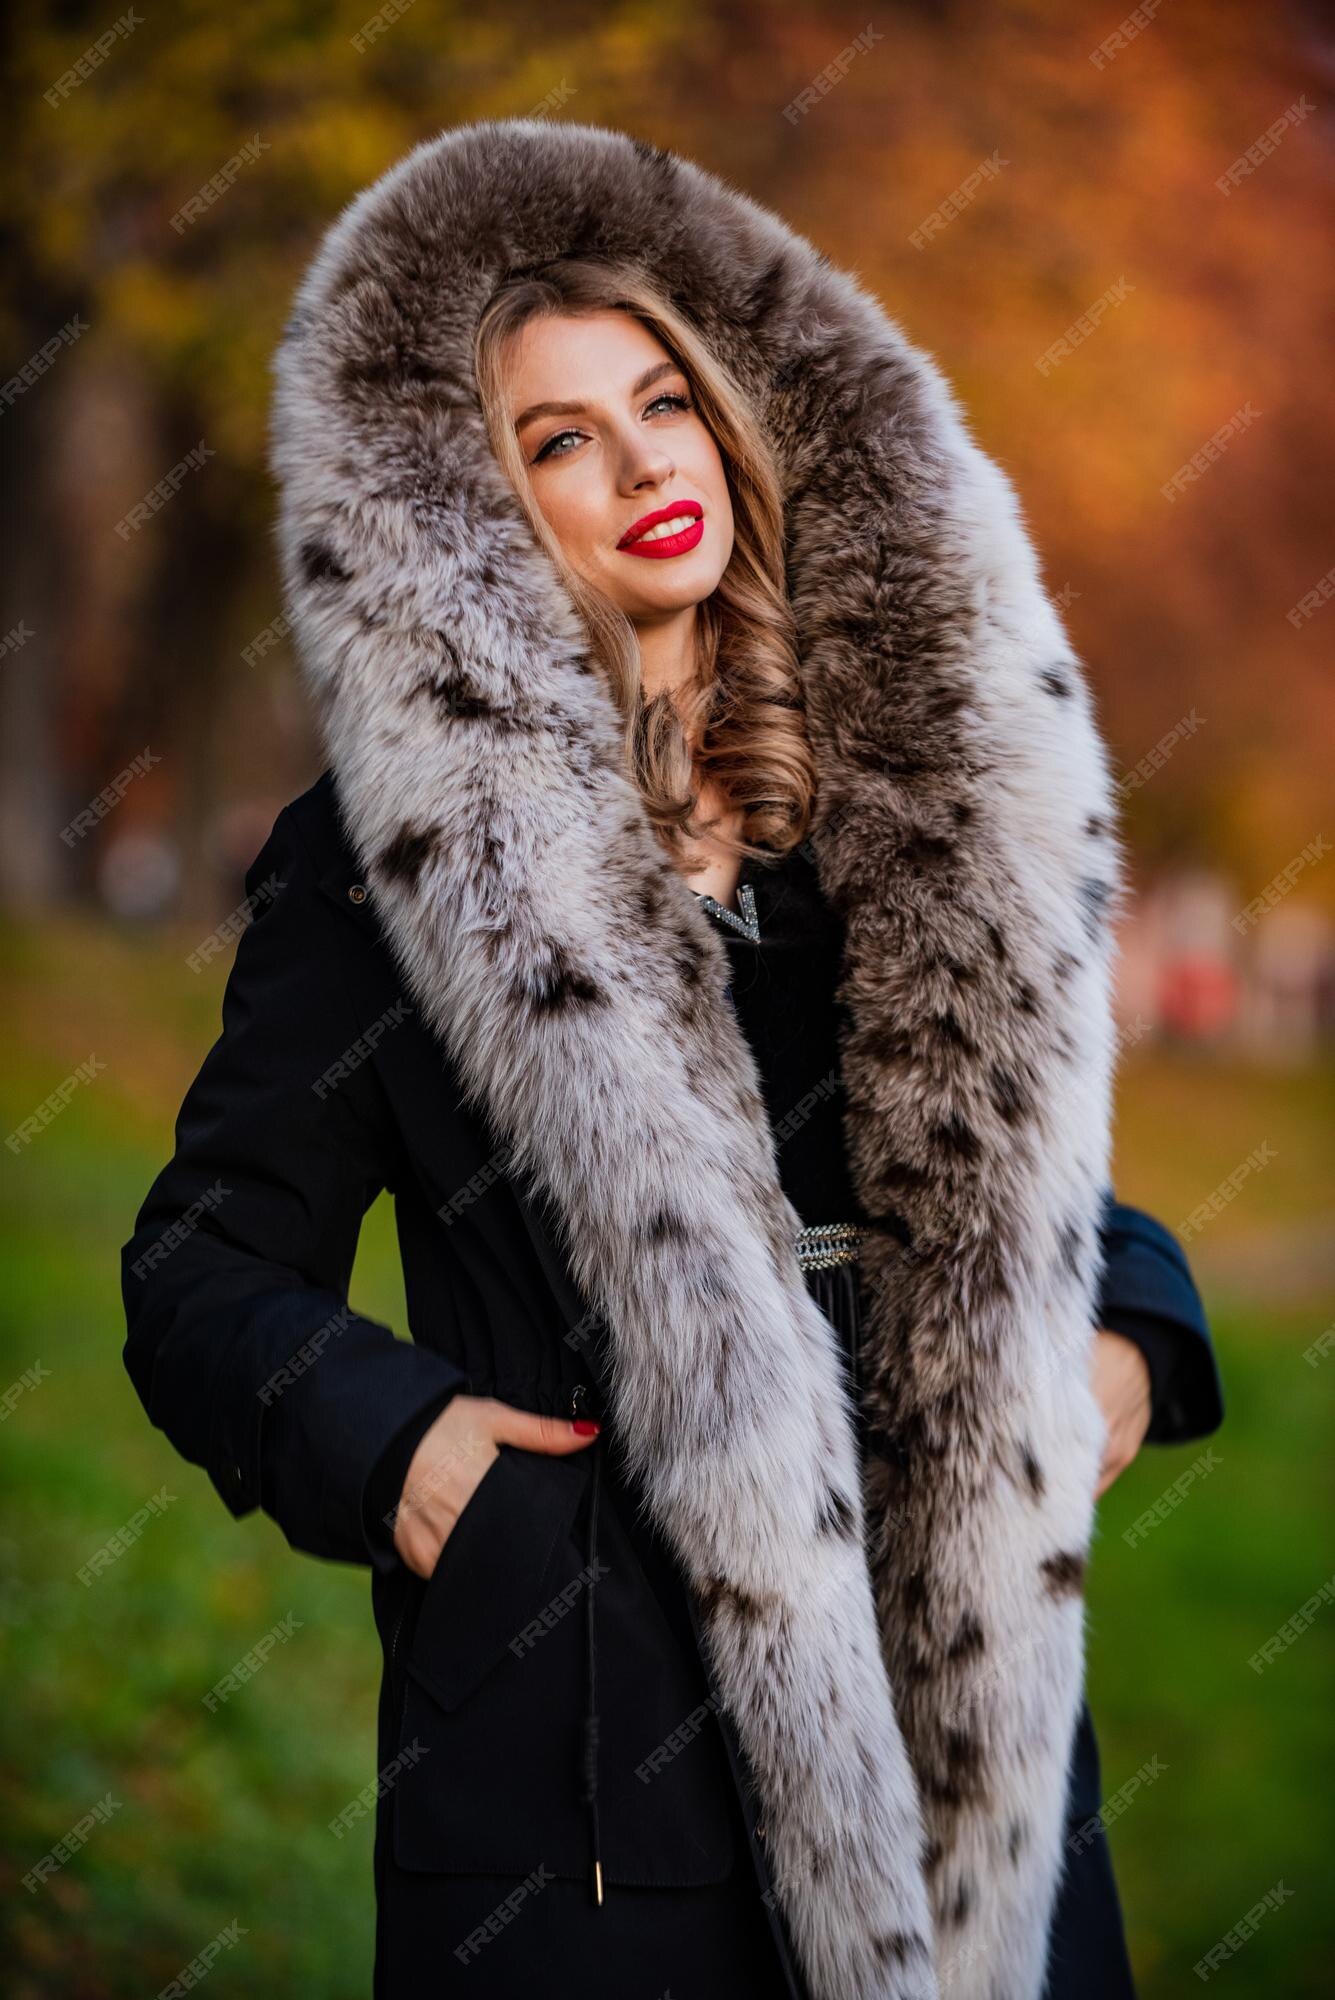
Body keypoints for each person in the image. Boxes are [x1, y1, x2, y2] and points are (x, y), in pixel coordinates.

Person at [121, 121, 1222, 2000]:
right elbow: (202, 1264)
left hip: (962, 1741)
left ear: (727, 420)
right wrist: (407, 1455)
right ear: (480, 514)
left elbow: (1004, 1174)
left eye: (661, 402)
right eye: (559, 437)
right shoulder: (390, 855)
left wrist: (1130, 1325)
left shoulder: (900, 808)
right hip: (590, 1782)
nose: (641, 461)